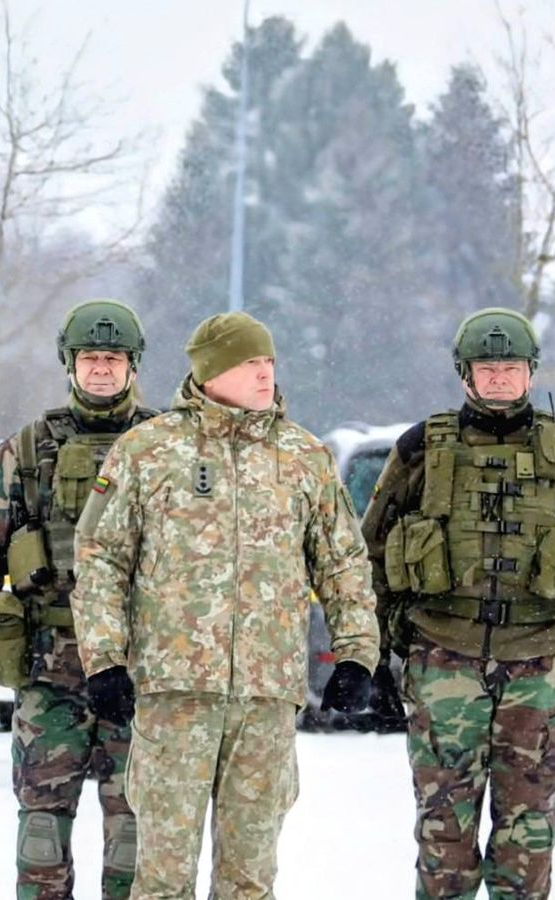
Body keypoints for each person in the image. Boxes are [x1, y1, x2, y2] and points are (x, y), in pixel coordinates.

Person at [70, 311, 379, 900]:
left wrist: (357, 655)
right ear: (211, 373)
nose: (265, 376)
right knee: (163, 876)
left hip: (266, 696)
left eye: (269, 363)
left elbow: (343, 563)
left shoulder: (302, 456)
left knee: (249, 878)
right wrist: (104, 659)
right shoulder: (149, 450)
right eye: (249, 364)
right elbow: (101, 559)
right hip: (175, 692)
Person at [361, 307, 555, 900]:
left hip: (541, 664)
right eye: (488, 367)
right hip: (443, 658)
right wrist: (372, 661)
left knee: (527, 836)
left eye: (511, 367)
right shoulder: (419, 448)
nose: (500, 378)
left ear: (531, 372)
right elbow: (373, 556)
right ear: (465, 373)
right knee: (442, 835)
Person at [0, 300, 159, 899]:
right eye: (90, 357)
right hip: (48, 669)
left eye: (113, 358)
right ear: (70, 362)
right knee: (40, 830)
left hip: (144, 670)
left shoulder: (166, 445)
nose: (101, 370)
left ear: (133, 365)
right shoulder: (28, 447)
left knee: (136, 837)